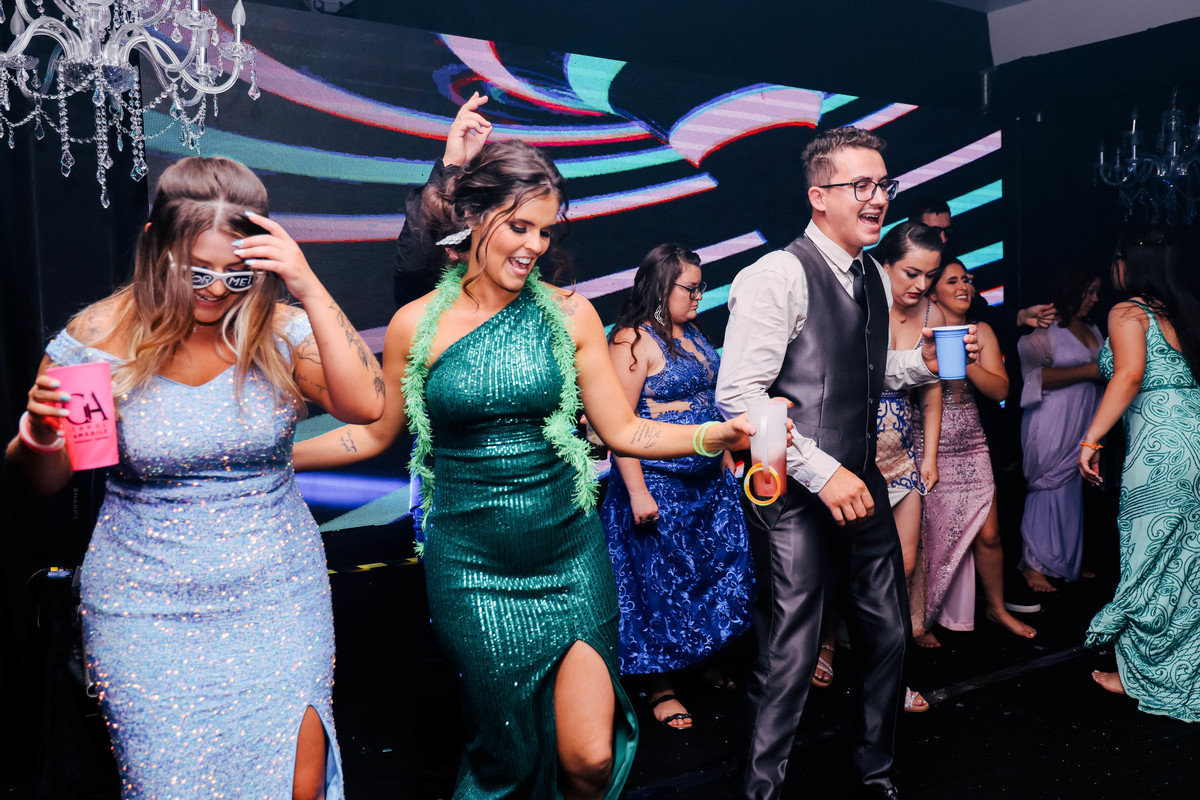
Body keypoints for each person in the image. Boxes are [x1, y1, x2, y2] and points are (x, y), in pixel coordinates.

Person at [293, 93, 757, 799]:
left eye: (544, 230)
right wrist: (274, 455)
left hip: (569, 551)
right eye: (519, 226)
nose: (535, 245)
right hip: (472, 565)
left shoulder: (570, 313)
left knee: (590, 758)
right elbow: (374, 433)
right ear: (472, 219)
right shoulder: (418, 323)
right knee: (507, 760)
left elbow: (622, 429)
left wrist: (710, 433)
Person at [5, 156, 387, 799]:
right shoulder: (99, 340)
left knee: (296, 783)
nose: (215, 290)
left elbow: (366, 405)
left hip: (277, 595)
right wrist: (39, 436)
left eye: (237, 274)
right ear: (156, 244)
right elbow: (41, 482)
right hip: (145, 606)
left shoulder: (280, 333)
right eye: (196, 271)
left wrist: (307, 284)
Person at [717, 126, 973, 800]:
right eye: (860, 185)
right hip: (792, 493)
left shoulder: (872, 276)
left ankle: (876, 772)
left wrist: (921, 363)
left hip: (863, 486)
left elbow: (864, 372)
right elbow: (739, 396)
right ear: (818, 196)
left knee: (889, 635)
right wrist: (822, 473)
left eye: (883, 184)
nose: (877, 197)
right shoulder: (776, 275)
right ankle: (760, 790)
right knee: (791, 652)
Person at [600, 243, 754, 731]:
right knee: (659, 587)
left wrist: (726, 458)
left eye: (701, 286)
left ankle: (700, 659)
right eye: (691, 287)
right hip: (658, 484)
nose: (699, 295)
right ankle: (661, 685)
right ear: (662, 286)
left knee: (707, 576)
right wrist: (637, 492)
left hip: (707, 483)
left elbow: (710, 403)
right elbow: (618, 425)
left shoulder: (694, 334)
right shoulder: (630, 340)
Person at [811, 222, 945, 705]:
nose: (921, 285)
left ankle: (890, 677)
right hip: (855, 458)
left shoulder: (931, 314)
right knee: (840, 566)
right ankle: (828, 642)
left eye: (929, 276)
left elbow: (932, 390)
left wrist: (929, 456)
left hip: (901, 452)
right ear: (883, 265)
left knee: (900, 568)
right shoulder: (858, 303)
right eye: (911, 273)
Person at [1079, 232, 1200, 722]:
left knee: (1147, 557)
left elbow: (1129, 374)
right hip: (1195, 436)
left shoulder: (1128, 312)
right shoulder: (1186, 310)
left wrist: (1091, 440)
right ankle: (1182, 669)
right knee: (1188, 563)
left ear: (1129, 264)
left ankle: (1141, 675)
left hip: (1161, 446)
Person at [920, 259, 1036, 640]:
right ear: (933, 291)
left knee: (990, 534)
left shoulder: (980, 330)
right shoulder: (920, 331)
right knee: (932, 537)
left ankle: (996, 609)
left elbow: (1001, 390)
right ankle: (921, 617)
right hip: (929, 444)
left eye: (967, 279)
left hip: (971, 442)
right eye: (952, 280)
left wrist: (965, 362)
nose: (964, 286)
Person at [1017, 266, 1104, 592]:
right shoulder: (1046, 327)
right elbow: (1032, 378)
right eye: (1090, 292)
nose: (1095, 299)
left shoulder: (1093, 327)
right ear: (1072, 290)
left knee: (1071, 489)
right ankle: (1033, 564)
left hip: (1085, 417)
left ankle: (1065, 561)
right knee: (1047, 484)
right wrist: (1089, 371)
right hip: (1051, 417)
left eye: (1097, 292)